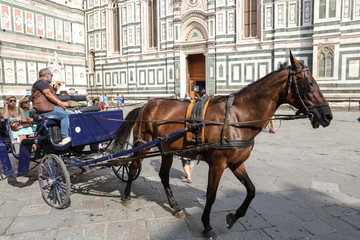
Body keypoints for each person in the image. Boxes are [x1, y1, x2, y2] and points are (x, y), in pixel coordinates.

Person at [31, 68, 71, 146]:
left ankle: (73, 134)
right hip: (45, 110)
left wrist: (55, 89)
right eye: (51, 75)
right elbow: (48, 94)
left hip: (50, 108)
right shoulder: (41, 82)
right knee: (65, 115)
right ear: (47, 74)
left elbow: (48, 95)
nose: (51, 77)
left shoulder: (45, 84)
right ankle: (65, 137)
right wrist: (60, 103)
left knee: (72, 114)